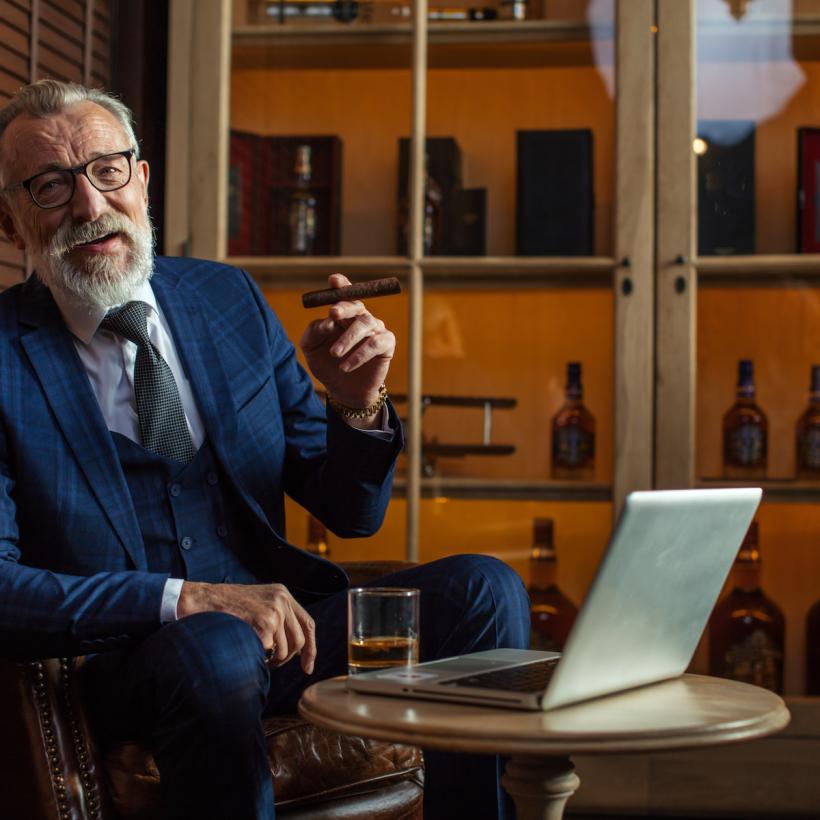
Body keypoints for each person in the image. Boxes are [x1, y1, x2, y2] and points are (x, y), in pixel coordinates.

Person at [0, 79, 530, 819]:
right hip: (134, 661)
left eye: (106, 171)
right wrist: (185, 601)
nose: (90, 207)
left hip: (291, 640)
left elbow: (351, 512)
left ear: (141, 181)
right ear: (12, 220)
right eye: (51, 186)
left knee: (486, 589)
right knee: (215, 645)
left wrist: (356, 401)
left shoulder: (228, 301)